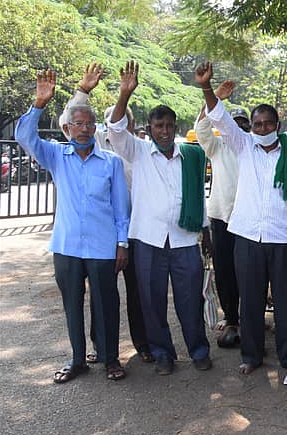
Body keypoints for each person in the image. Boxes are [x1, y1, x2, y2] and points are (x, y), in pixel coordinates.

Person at [196, 62, 287, 377]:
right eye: (257, 124)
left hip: (284, 239)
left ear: (277, 125)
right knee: (250, 301)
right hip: (247, 237)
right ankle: (252, 355)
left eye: (267, 124)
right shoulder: (243, 146)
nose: (261, 129)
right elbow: (218, 117)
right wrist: (207, 88)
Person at [17, 69, 130, 383]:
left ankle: (109, 359)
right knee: (71, 304)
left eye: (89, 124)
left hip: (102, 246)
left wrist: (122, 244)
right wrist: (39, 103)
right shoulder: (56, 155)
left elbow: (122, 208)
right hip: (66, 246)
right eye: (77, 124)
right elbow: (24, 137)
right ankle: (77, 359)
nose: (83, 129)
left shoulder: (111, 162)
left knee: (106, 303)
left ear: (96, 128)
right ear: (67, 128)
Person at [107, 60, 213, 376]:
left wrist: (205, 229)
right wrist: (125, 93)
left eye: (168, 126)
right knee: (152, 303)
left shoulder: (190, 155)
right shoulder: (137, 151)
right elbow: (114, 129)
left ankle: (198, 350)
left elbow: (198, 196)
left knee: (189, 300)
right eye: (158, 127)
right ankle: (162, 353)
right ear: (149, 129)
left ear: (175, 127)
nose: (164, 131)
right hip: (148, 241)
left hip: (183, 240)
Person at [56, 62, 154, 365]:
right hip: (102, 236)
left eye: (121, 119)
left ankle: (144, 344)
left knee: (137, 293)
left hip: (134, 231)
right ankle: (101, 347)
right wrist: (83, 91)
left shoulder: (140, 149)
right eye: (112, 119)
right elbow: (67, 119)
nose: (116, 123)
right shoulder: (92, 145)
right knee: (101, 293)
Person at [195, 82, 249, 348]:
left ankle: (250, 319)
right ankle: (231, 318)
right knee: (225, 272)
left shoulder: (253, 148)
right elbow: (201, 127)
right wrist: (214, 97)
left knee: (250, 273)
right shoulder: (216, 147)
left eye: (242, 124)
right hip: (222, 218)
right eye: (233, 122)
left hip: (249, 221)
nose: (237, 127)